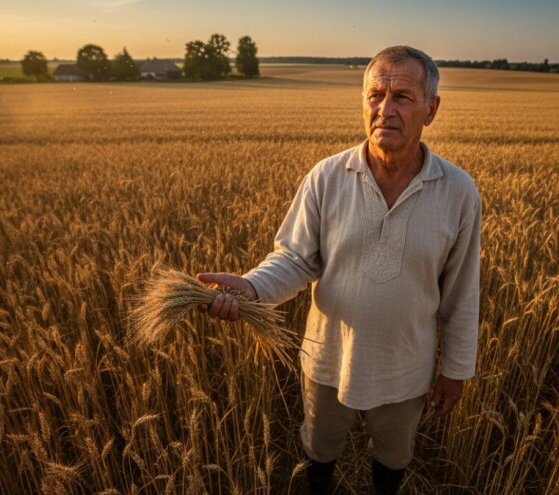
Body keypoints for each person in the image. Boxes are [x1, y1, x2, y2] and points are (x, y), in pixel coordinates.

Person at [198, 45, 481, 495]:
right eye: (375, 95)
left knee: (392, 455)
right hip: (327, 359)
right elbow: (293, 259)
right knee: (320, 448)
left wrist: (456, 370)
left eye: (402, 97)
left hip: (405, 366)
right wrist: (251, 287)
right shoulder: (326, 177)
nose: (385, 110)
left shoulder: (458, 191)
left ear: (432, 109)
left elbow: (463, 291)